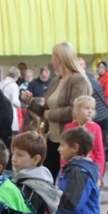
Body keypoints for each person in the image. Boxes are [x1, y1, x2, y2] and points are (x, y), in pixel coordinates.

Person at [22, 41, 91, 181]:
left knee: (64, 181)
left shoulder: (77, 80)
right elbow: (44, 111)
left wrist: (51, 114)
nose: (51, 59)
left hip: (68, 140)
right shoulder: (56, 81)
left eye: (53, 55)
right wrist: (30, 102)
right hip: (52, 138)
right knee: (48, 179)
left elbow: (76, 109)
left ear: (59, 58)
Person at [63, 96, 105, 182]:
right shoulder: (69, 127)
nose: (90, 111)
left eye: (92, 109)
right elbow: (64, 149)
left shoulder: (95, 128)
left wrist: (98, 174)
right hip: (71, 167)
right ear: (77, 109)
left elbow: (99, 152)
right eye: (86, 108)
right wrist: (63, 167)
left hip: (89, 169)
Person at [0, 67, 22, 136]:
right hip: (10, 112)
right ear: (15, 76)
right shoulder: (14, 85)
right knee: (12, 135)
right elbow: (14, 101)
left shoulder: (0, 83)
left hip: (0, 112)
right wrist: (20, 104)